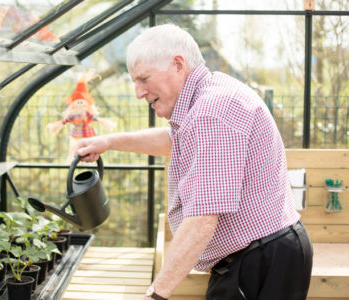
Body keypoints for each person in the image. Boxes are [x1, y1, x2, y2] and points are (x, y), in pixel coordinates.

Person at [76, 24, 313, 300]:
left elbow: (202, 220)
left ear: (178, 65)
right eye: (134, 82)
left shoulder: (211, 111)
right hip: (265, 254)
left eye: (143, 79)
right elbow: (174, 140)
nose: (139, 92)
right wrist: (109, 142)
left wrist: (156, 293)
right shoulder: (207, 96)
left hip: (261, 261)